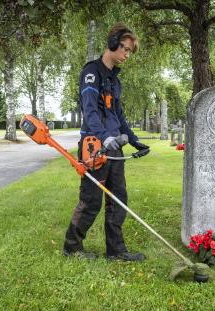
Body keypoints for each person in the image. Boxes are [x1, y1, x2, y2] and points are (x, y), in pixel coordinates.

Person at [63, 23, 149, 261]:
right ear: (112, 43)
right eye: (125, 49)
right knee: (91, 200)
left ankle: (116, 251)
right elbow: (89, 111)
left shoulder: (115, 80)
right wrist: (105, 138)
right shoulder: (91, 72)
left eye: (130, 51)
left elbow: (118, 116)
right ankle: (72, 247)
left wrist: (133, 140)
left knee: (118, 198)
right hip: (95, 146)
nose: (127, 55)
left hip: (116, 148)